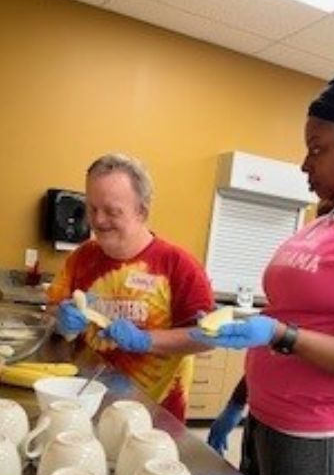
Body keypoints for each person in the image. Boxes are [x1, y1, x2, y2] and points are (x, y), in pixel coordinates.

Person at [191, 42, 334, 475]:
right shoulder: (321, 223)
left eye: (317, 147)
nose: (304, 163)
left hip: (314, 435)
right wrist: (238, 402)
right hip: (263, 419)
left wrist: (281, 336)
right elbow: (285, 317)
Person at [46, 153, 215, 422]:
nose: (98, 221)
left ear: (142, 211)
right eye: (92, 208)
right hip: (86, 403)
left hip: (154, 416)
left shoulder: (178, 266)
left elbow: (208, 338)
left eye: (112, 211)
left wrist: (147, 340)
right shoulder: (80, 259)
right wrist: (60, 320)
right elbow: (52, 311)